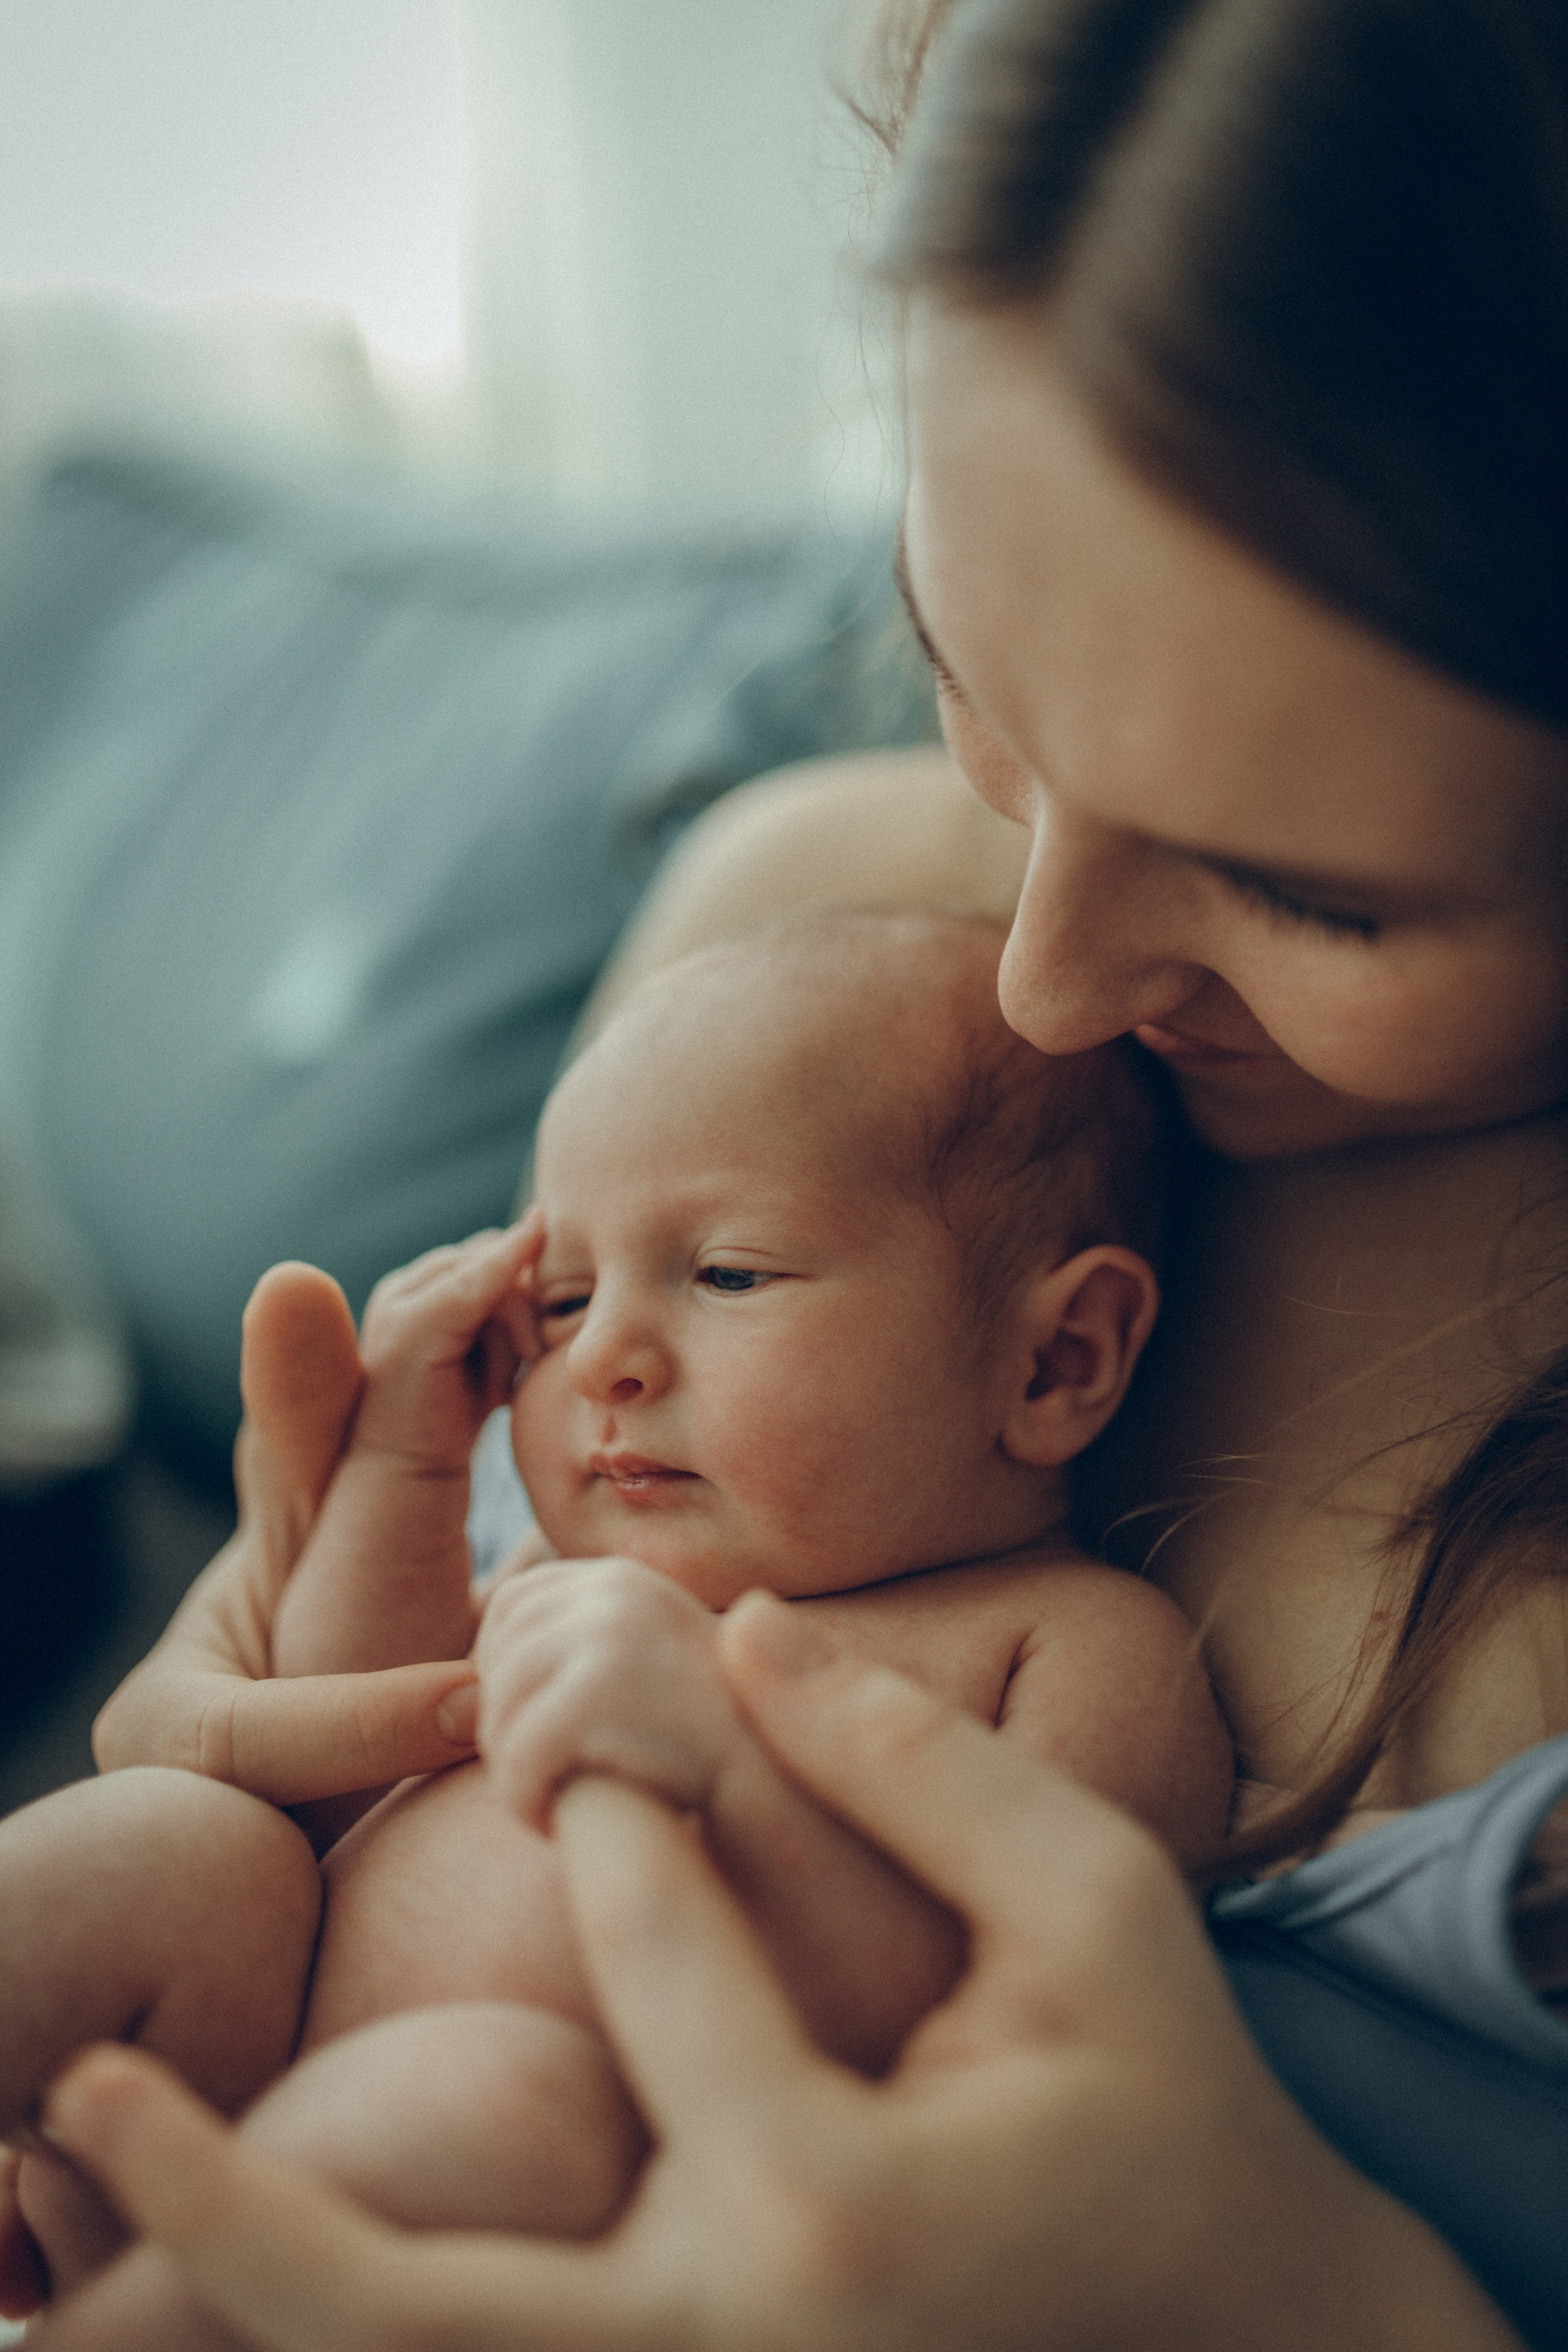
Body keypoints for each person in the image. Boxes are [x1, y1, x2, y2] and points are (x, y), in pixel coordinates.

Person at [26, 0, 1568, 2345]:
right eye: (981, 697)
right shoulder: (795, 943)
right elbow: (344, 1703)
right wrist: (272, 1672)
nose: (1048, 973)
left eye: (1311, 893)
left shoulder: (1068, 1656)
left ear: (1068, 1356)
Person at [0, 912, 1231, 2346]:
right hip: (215, 2043)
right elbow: (327, 1770)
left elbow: (1035, 2017)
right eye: (563, 1297)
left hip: (520, 2213)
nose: (599, 1358)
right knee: (179, 1839)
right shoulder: (558, 1561)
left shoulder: (1070, 1647)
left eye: (728, 1274)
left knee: (492, 2093)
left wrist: (723, 1767)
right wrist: (402, 1470)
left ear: (1053, 1358)